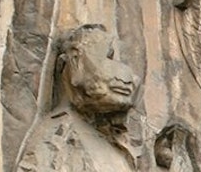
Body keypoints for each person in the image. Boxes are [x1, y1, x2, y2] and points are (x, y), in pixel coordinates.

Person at [17, 24, 139, 172]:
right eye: (107, 56)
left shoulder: (116, 143)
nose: (130, 78)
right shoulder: (58, 135)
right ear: (75, 60)